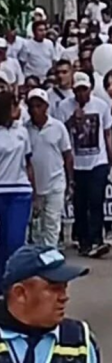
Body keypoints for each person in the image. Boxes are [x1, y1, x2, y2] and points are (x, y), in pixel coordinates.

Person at [0, 245, 101, 362]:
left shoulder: (79, 340)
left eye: (64, 287)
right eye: (54, 289)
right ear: (20, 293)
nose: (64, 297)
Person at [57, 72, 112, 258]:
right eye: (78, 90)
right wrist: (73, 120)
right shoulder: (64, 107)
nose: (81, 94)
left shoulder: (101, 105)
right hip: (77, 162)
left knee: (96, 201)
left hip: (98, 161)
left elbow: (107, 132)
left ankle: (97, 239)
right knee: (80, 204)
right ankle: (84, 241)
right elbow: (59, 132)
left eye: (84, 90)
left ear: (90, 89)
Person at [25, 89, 73, 248]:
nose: (35, 110)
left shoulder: (58, 127)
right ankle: (38, 257)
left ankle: (51, 256)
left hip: (55, 183)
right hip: (33, 186)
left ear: (46, 107)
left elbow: (67, 154)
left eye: (38, 106)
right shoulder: (25, 130)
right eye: (31, 106)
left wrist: (70, 181)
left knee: (52, 223)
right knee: (36, 227)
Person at [0, 91, 34, 279]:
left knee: (15, 241)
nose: (19, 109)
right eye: (15, 105)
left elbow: (28, 162)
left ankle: (13, 280)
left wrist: (33, 188)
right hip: (1, 190)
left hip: (20, 192)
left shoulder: (22, 131)